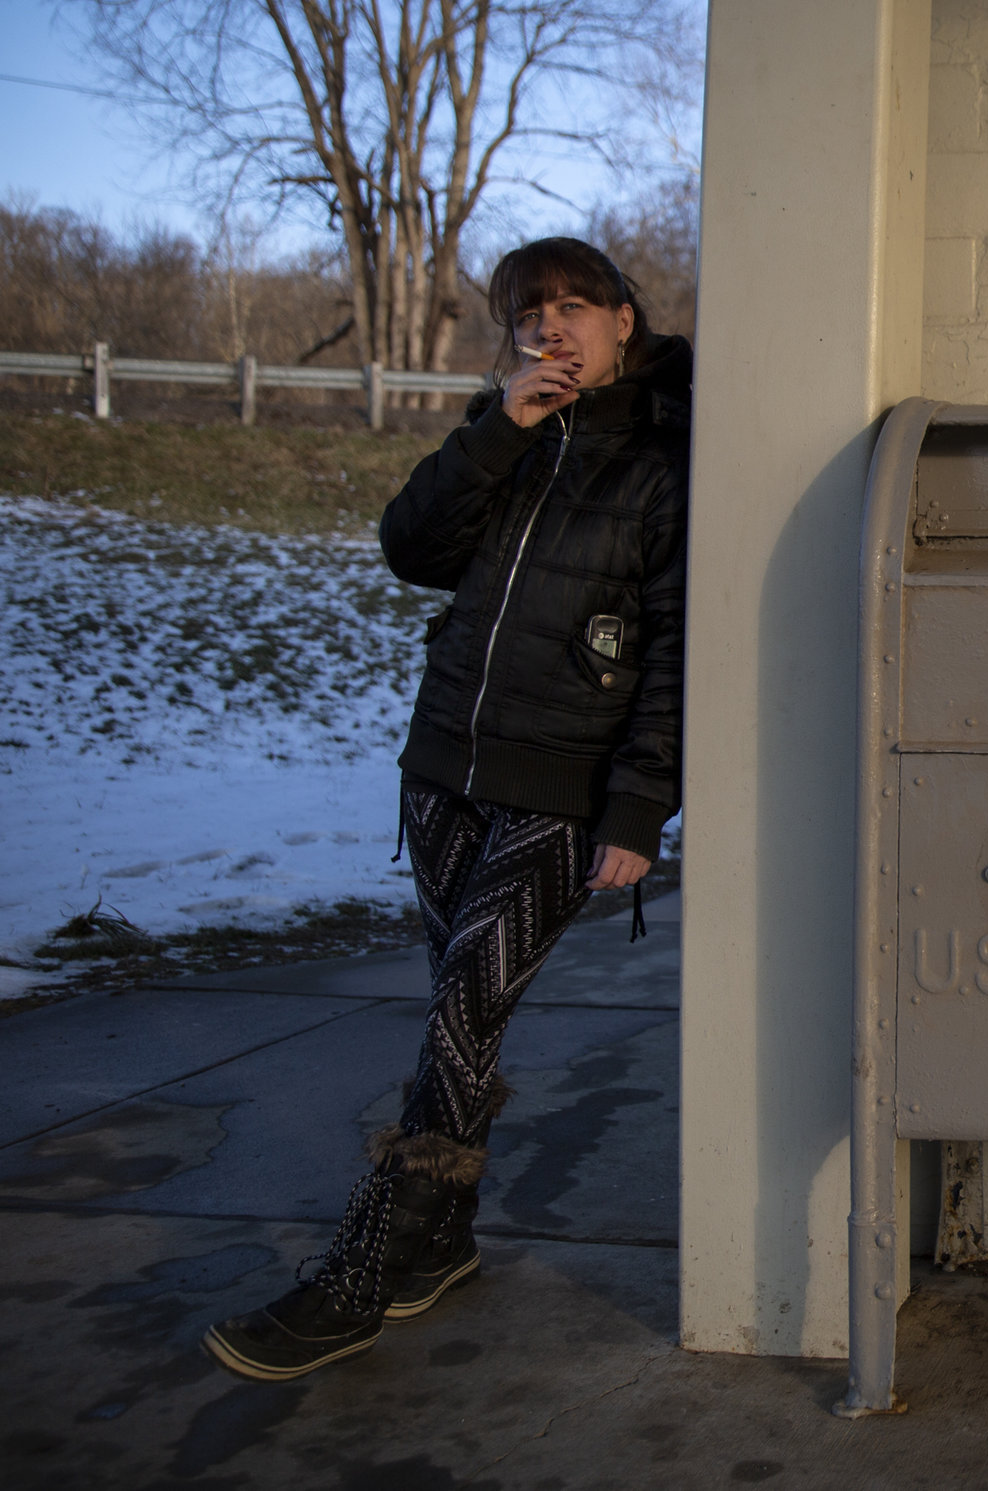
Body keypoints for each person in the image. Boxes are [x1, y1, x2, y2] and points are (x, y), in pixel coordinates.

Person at [205, 238, 691, 1380]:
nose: (555, 327)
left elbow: (676, 652)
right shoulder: (506, 435)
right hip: (443, 776)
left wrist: (638, 809)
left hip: (561, 793)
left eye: (578, 305)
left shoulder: (668, 465)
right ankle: (446, 1241)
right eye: (532, 312)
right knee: (458, 1026)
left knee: (459, 1025)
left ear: (626, 319)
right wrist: (497, 429)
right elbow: (407, 546)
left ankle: (360, 1276)